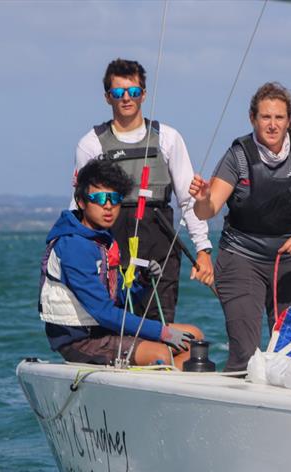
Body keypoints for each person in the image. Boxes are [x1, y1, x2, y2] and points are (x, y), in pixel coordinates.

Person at [189, 82, 291, 372]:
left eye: (279, 117)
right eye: (266, 117)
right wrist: (202, 198)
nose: (272, 125)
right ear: (253, 119)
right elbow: (207, 210)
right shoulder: (238, 157)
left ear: (289, 121)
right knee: (245, 352)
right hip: (242, 258)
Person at [73, 58, 213, 325]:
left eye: (134, 92)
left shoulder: (168, 138)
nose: (127, 98)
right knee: (114, 322)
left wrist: (203, 249)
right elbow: (80, 204)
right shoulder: (90, 143)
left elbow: (187, 198)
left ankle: (159, 362)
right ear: (107, 98)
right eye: (118, 93)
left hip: (159, 240)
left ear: (144, 95)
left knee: (160, 323)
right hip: (111, 241)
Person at [40, 158, 202, 368]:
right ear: (81, 201)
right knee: (160, 353)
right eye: (99, 198)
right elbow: (103, 312)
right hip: (80, 340)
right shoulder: (74, 246)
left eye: (114, 198)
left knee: (194, 337)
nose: (108, 206)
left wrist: (142, 281)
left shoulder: (102, 240)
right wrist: (162, 332)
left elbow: (116, 299)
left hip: (105, 330)